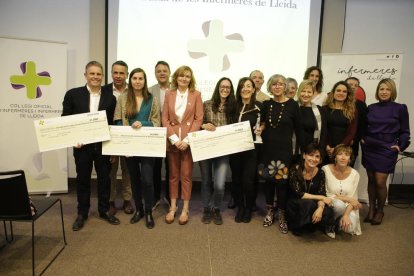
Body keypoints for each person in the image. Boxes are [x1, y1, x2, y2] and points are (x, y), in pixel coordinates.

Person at [62, 61, 119, 231]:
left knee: (104, 179)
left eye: (98, 74)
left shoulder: (111, 98)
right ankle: (82, 213)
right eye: (92, 74)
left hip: (103, 146)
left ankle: (104, 210)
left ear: (103, 76)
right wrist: (73, 139)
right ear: (85, 75)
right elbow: (66, 118)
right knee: (83, 180)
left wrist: (113, 149)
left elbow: (112, 124)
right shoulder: (73, 94)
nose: (95, 77)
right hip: (82, 147)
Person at [113, 68, 160, 229]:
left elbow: (156, 122)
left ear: (144, 80)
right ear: (130, 80)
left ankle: (148, 212)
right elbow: (118, 120)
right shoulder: (123, 98)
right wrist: (123, 140)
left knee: (147, 179)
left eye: (140, 78)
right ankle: (138, 209)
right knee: (134, 179)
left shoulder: (152, 99)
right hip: (130, 145)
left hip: (147, 145)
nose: (137, 81)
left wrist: (143, 123)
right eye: (134, 78)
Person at [258, 74, 304, 233]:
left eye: (280, 84)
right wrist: (259, 129)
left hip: (284, 152)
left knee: (282, 184)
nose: (277, 87)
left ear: (285, 87)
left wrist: (300, 153)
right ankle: (270, 210)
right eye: (274, 84)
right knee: (269, 182)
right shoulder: (266, 104)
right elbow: (262, 124)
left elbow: (299, 131)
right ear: (270, 87)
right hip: (267, 150)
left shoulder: (293, 105)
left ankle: (282, 214)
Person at [361, 78, 410, 225]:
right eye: (381, 89)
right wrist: (363, 138)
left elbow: (405, 131)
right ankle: (371, 209)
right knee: (371, 180)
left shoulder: (400, 108)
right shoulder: (371, 107)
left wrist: (401, 145)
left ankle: (380, 210)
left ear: (392, 91)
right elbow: (365, 126)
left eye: (387, 89)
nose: (384, 92)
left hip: (387, 149)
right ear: (378, 91)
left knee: (380, 181)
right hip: (370, 147)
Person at [162, 65, 203, 225]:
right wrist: (173, 138)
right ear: (176, 78)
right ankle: (173, 208)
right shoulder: (169, 94)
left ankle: (185, 208)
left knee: (186, 176)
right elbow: (164, 119)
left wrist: (186, 140)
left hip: (188, 142)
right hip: (173, 142)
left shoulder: (196, 94)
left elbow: (198, 119)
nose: (184, 79)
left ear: (190, 79)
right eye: (181, 76)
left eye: (187, 76)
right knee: (173, 176)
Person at [200, 77, 236, 225]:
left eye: (228, 87)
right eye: (222, 86)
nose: (225, 89)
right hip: (206, 149)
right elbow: (198, 122)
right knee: (206, 181)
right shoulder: (207, 104)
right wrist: (203, 126)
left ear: (231, 90)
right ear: (218, 87)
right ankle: (207, 209)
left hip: (223, 150)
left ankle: (216, 208)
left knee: (219, 184)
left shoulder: (234, 107)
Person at [102, 60, 134, 215]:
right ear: (111, 73)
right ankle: (111, 201)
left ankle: (127, 200)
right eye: (115, 72)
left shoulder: (135, 90)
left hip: (129, 137)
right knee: (111, 171)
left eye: (122, 73)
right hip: (109, 138)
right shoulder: (103, 90)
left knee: (128, 170)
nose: (118, 76)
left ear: (127, 74)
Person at [229, 77, 262, 223]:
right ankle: (240, 207)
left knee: (248, 181)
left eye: (249, 86)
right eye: (242, 86)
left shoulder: (259, 106)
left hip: (251, 150)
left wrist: (262, 128)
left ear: (254, 89)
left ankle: (248, 208)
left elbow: (265, 124)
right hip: (235, 149)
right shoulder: (233, 106)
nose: (246, 89)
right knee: (236, 180)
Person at [286, 143, 336, 238]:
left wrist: (320, 208)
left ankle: (311, 223)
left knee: (328, 210)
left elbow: (322, 192)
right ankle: (298, 226)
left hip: (312, 203)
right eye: (311, 155)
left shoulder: (321, 172)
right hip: (295, 203)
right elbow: (299, 193)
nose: (314, 159)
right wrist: (321, 197)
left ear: (320, 160)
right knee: (309, 204)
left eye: (317, 156)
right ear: (304, 155)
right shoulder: (294, 169)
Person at [323, 144, 362, 235]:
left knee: (350, 228)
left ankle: (338, 223)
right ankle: (329, 225)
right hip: (329, 204)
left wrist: (346, 215)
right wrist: (346, 198)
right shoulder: (325, 170)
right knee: (339, 205)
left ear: (350, 159)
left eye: (346, 155)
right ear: (335, 157)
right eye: (340, 154)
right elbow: (325, 195)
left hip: (347, 207)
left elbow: (353, 200)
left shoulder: (355, 174)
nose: (343, 157)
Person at [148, 61, 171, 209]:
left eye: (164, 70)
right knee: (155, 167)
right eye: (158, 71)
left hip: (172, 134)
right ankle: (156, 197)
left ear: (169, 72)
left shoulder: (177, 89)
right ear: (155, 74)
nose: (162, 73)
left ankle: (169, 197)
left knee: (171, 167)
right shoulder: (149, 91)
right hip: (155, 134)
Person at [323, 81, 357, 162]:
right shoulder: (324, 109)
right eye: (338, 90)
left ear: (347, 94)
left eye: (344, 91)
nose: (341, 93)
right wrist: (327, 146)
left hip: (343, 151)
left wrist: (338, 149)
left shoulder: (353, 110)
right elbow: (323, 130)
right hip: (326, 149)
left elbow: (351, 133)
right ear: (333, 92)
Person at [296, 80, 327, 153]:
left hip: (311, 151)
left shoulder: (320, 110)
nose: (306, 94)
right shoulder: (292, 107)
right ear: (299, 92)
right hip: (293, 150)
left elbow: (323, 133)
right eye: (303, 91)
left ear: (313, 94)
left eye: (309, 92)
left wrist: (320, 151)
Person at [345, 77, 368, 166]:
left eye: (356, 85)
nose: (353, 87)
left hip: (352, 145)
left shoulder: (361, 105)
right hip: (334, 144)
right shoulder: (336, 102)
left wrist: (354, 139)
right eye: (350, 84)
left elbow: (363, 125)